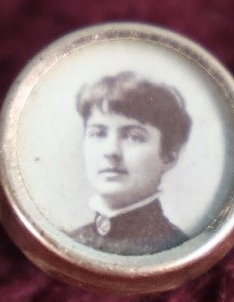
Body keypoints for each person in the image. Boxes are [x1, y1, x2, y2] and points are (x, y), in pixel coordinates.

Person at [69, 71, 192, 255]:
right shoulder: (73, 241)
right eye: (98, 134)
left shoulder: (175, 249)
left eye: (133, 137)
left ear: (169, 156)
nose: (111, 151)